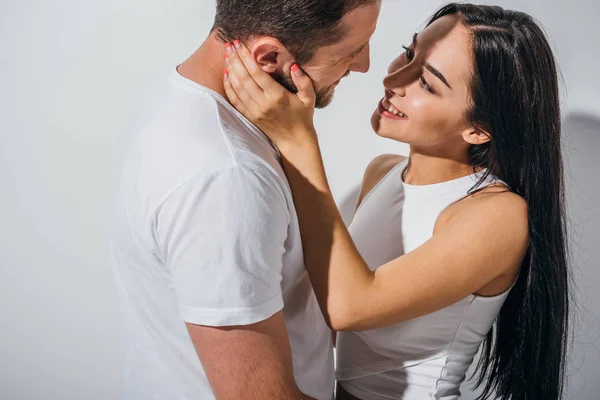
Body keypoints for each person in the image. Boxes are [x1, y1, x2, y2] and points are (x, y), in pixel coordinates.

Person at [222, 3, 570, 400]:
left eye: (427, 83)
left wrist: (298, 139)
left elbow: (348, 307)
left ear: (478, 129)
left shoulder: (497, 215)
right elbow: (326, 320)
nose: (394, 78)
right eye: (409, 52)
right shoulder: (382, 172)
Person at [110, 1, 381, 399]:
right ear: (269, 57)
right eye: (350, 52)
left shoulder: (184, 95)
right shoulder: (226, 177)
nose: (365, 66)